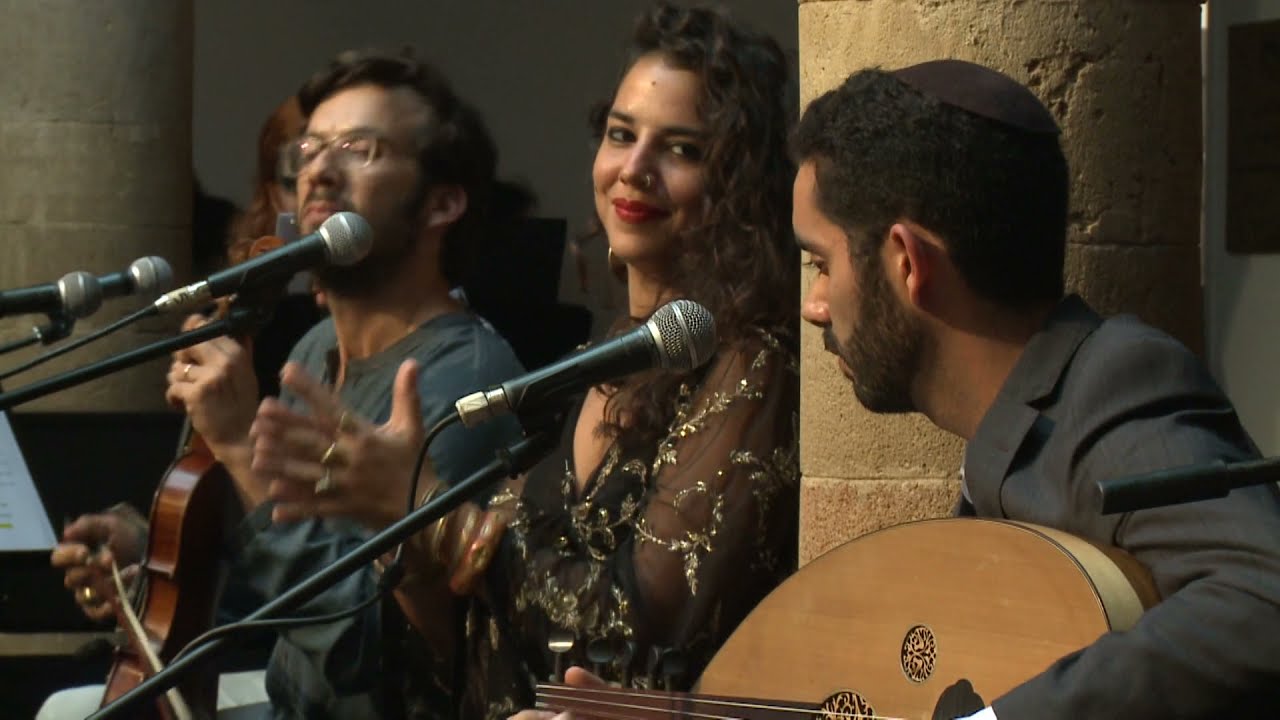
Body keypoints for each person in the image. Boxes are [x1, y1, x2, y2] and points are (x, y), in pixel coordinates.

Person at [249, 4, 801, 720]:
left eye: (683, 150)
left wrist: (431, 516)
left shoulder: (752, 365)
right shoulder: (587, 363)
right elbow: (464, 654)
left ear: (739, 185)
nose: (634, 169)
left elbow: (634, 637)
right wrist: (413, 550)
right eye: (620, 135)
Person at [790, 59, 1280, 718]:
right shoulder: (1014, 424)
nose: (814, 305)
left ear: (907, 262)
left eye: (821, 263)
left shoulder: (1116, 382)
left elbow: (1266, 596)